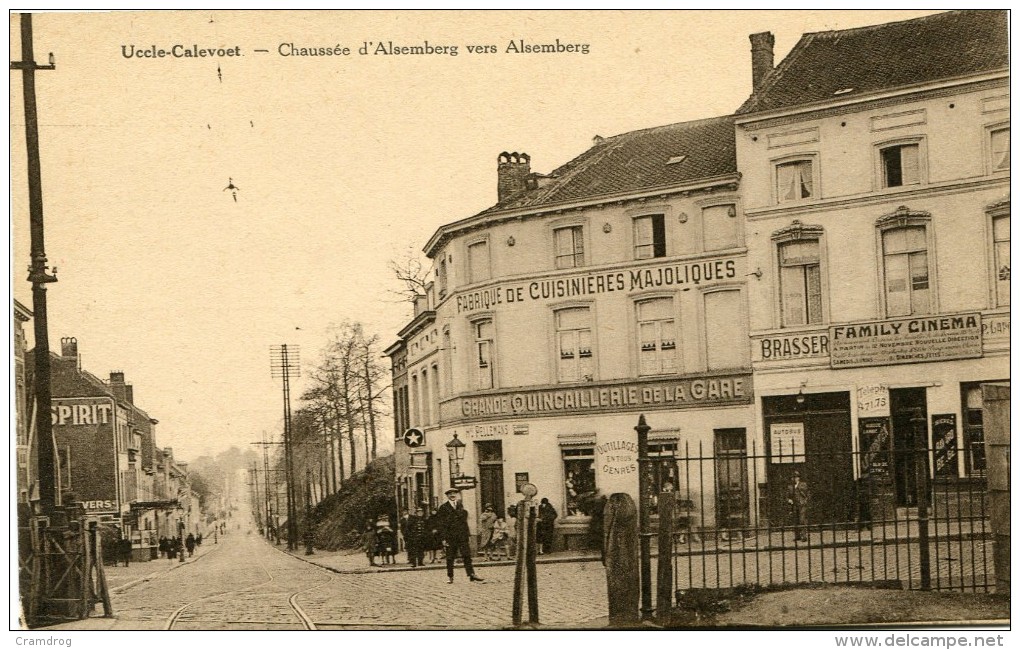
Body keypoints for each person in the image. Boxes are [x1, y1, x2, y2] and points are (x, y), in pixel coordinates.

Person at [434, 488, 483, 583]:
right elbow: (441, 524)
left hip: (462, 536)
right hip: (450, 537)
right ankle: (450, 576)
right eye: (450, 494)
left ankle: (471, 574)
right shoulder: (443, 508)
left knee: (466, 555)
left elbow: (464, 522)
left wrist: (467, 534)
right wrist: (443, 538)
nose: (452, 495)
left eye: (454, 493)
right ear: (447, 496)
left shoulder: (460, 505)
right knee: (450, 557)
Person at [787, 471, 809, 542]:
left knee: (802, 520)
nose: (794, 479)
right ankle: (797, 536)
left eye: (796, 477)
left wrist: (805, 501)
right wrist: (789, 500)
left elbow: (806, 493)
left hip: (802, 505)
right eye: (793, 477)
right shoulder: (790, 487)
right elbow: (787, 496)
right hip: (794, 505)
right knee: (795, 521)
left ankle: (804, 536)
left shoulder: (803, 484)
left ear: (798, 478)